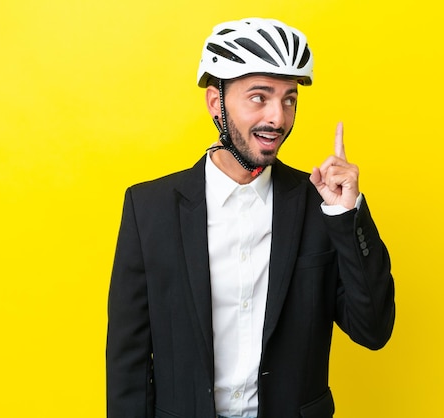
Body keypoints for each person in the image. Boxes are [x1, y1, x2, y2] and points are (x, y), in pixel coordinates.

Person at [106, 17, 395, 418]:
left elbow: (373, 330)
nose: (278, 118)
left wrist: (346, 215)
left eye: (289, 99)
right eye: (259, 97)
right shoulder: (149, 209)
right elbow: (129, 362)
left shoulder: (320, 206)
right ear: (215, 103)